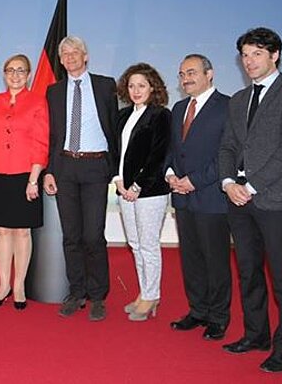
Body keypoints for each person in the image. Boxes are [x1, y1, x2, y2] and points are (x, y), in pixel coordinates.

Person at [219, 27, 282, 373]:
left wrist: (251, 185)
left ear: (275, 55)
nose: (249, 61)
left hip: (275, 202)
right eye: (245, 55)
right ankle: (256, 335)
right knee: (248, 272)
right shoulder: (239, 99)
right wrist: (229, 182)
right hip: (238, 200)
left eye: (257, 53)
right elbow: (228, 146)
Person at [43, 36, 118, 321]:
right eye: (65, 54)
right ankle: (76, 292)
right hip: (65, 168)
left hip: (95, 166)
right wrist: (50, 170)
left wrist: (116, 169)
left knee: (93, 235)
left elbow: (114, 127)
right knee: (71, 236)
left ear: (85, 56)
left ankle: (98, 296)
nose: (70, 57)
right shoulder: (53, 92)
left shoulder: (105, 86)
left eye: (75, 52)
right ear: (61, 60)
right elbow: (53, 135)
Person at [165, 54, 231, 340]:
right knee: (190, 259)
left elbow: (227, 155)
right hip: (182, 198)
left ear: (209, 73)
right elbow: (172, 149)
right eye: (182, 74)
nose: (185, 79)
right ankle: (198, 310)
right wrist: (170, 174)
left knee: (215, 260)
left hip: (212, 197)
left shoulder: (227, 107)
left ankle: (218, 317)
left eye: (191, 72)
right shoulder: (179, 108)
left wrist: (194, 181)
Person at [0, 54, 48, 310]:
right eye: (10, 70)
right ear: (4, 74)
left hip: (25, 174)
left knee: (22, 231)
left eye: (21, 70)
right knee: (2, 230)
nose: (15, 75)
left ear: (28, 75)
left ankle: (19, 286)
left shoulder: (38, 101)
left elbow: (41, 141)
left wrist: (34, 179)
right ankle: (3, 284)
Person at [113, 63, 171, 322]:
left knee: (148, 245)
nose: (136, 91)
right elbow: (117, 152)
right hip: (124, 190)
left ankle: (152, 295)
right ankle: (144, 293)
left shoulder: (160, 115)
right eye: (131, 86)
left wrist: (137, 185)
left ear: (153, 88)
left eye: (142, 86)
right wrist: (118, 181)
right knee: (135, 245)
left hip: (150, 191)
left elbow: (158, 155)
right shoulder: (123, 115)